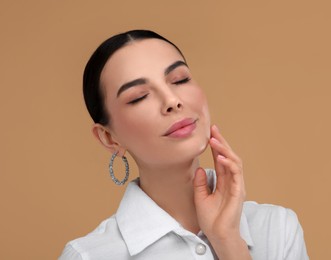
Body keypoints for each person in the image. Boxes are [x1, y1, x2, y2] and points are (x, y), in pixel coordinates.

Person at [59, 30, 309, 260]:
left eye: (179, 79)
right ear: (109, 138)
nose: (172, 100)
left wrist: (228, 242)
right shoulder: (89, 255)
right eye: (139, 97)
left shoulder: (277, 228)